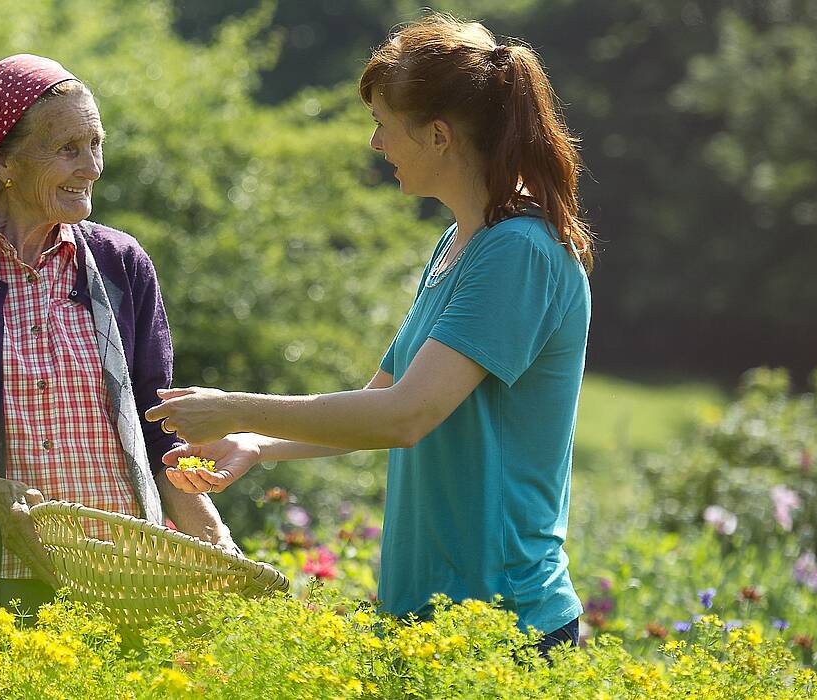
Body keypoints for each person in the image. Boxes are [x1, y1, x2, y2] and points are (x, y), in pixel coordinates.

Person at [146, 14, 594, 659]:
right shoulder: (460, 246)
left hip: (502, 623)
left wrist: (235, 405)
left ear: (438, 136)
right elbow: (376, 400)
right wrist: (256, 444)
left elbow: (405, 417)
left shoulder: (518, 253)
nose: (376, 143)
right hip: (430, 613)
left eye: (385, 123)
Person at [0, 54, 231, 613]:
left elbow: (161, 433)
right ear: (2, 161)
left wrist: (213, 543)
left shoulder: (120, 262)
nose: (92, 167)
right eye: (67, 149)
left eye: (96, 143)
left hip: (131, 580)